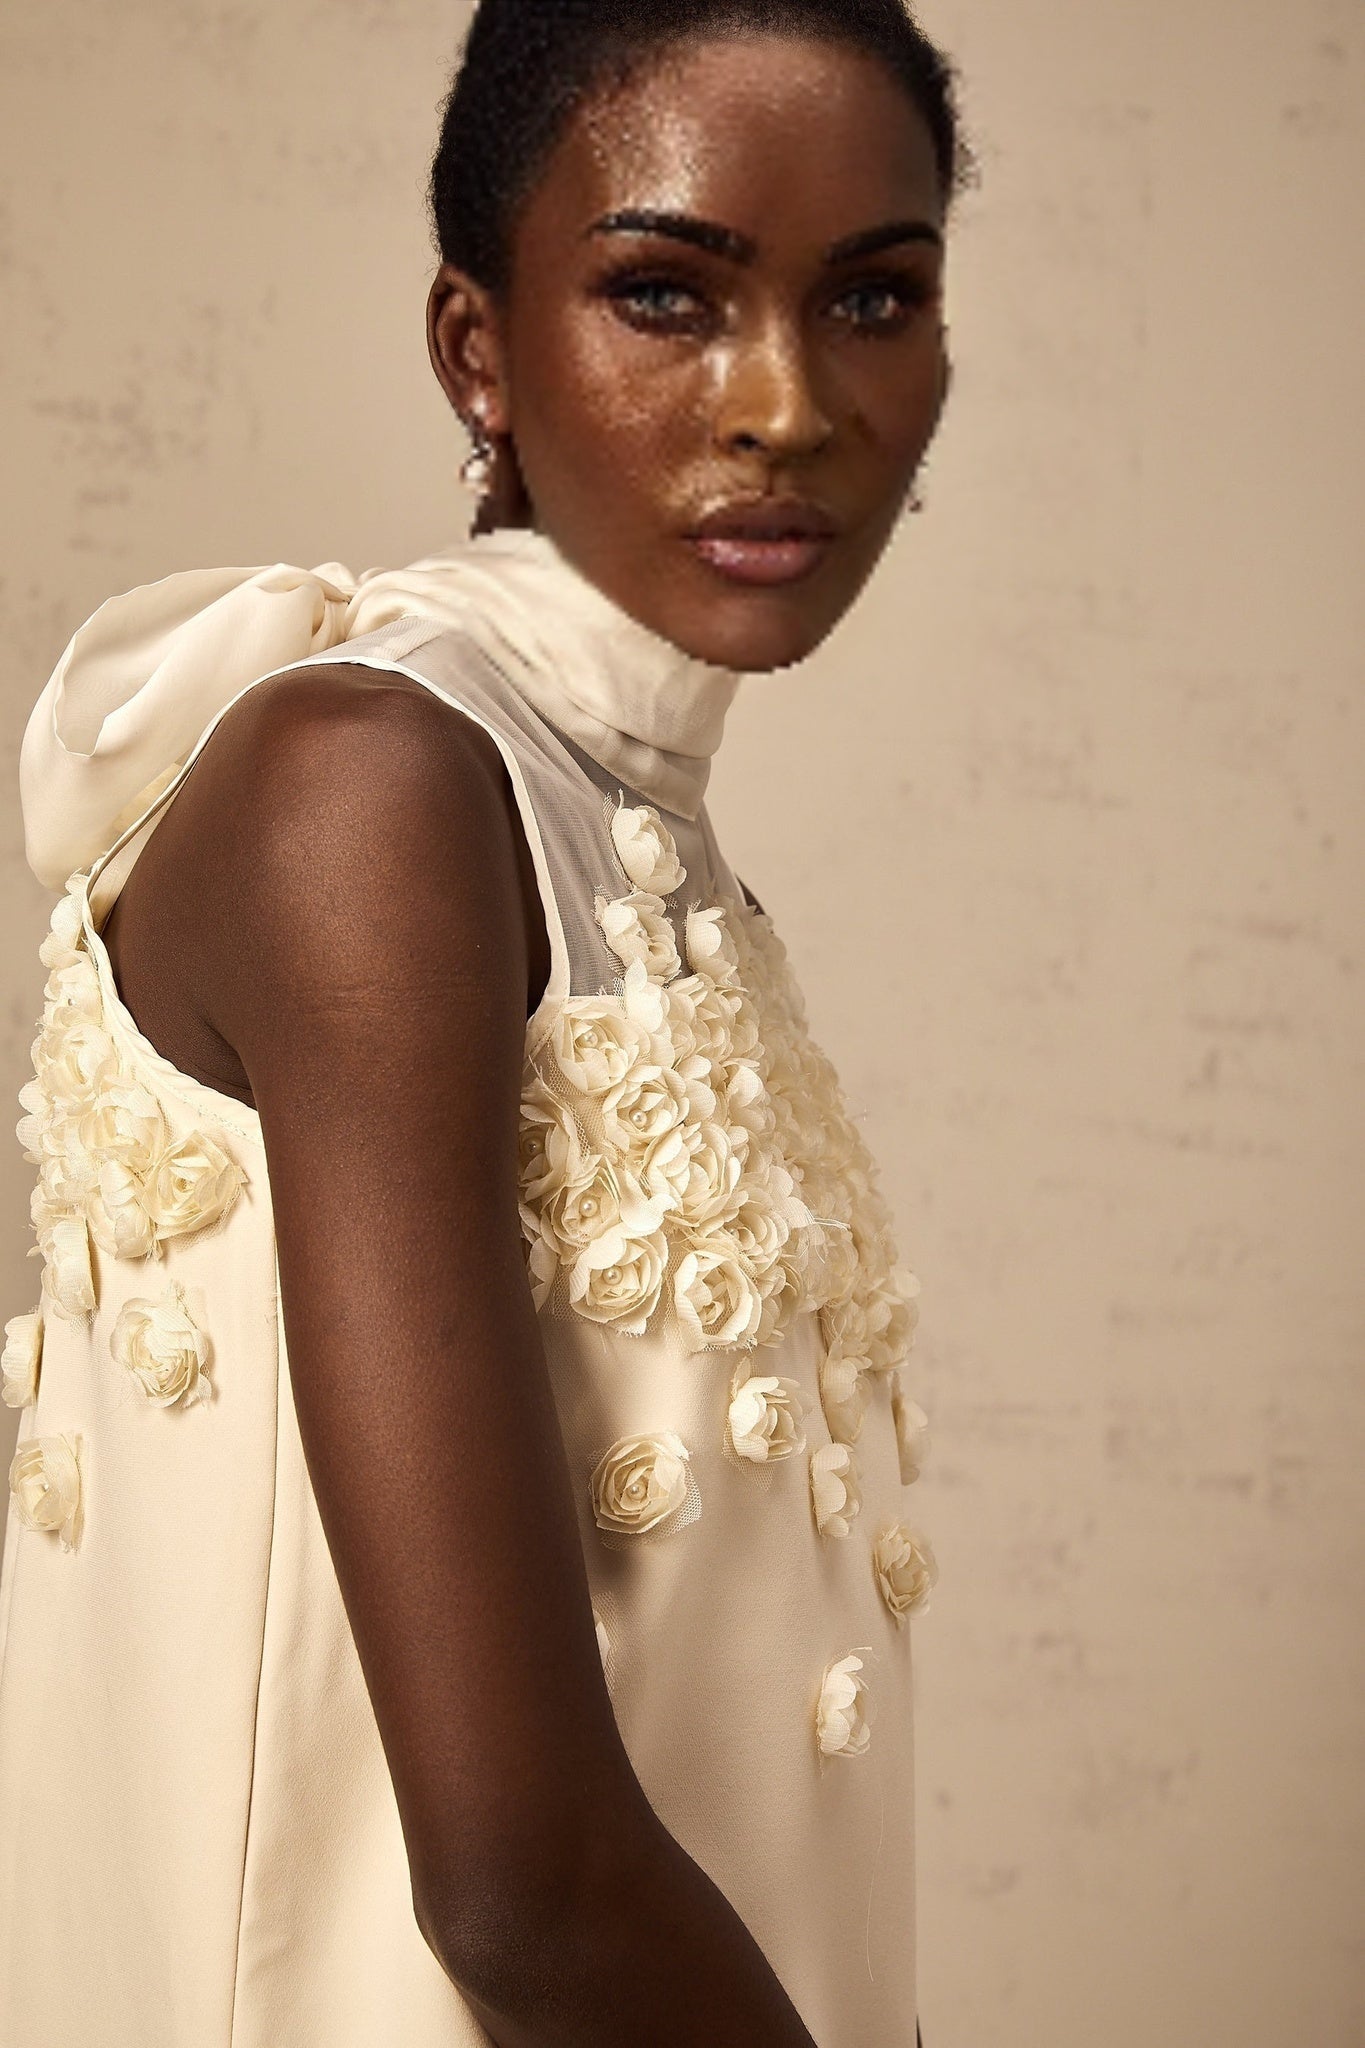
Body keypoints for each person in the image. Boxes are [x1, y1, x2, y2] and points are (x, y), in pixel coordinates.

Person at [0, 2, 969, 2041]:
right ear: (477, 351)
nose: (785, 405)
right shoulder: (369, 792)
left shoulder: (638, 844)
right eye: (665, 296)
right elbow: (520, 1885)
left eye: (870, 297)